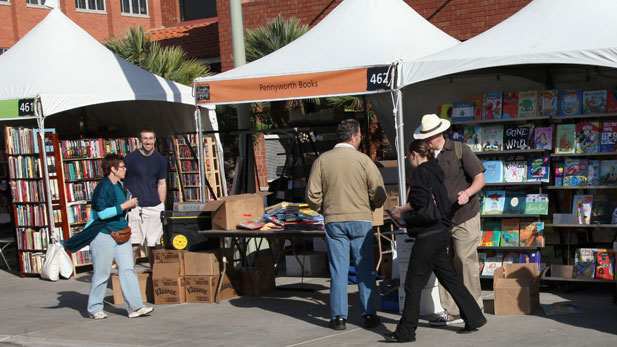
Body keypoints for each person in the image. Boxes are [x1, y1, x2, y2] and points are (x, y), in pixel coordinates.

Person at [384, 140, 486, 343]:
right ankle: (474, 317)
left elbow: (420, 201)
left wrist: (402, 212)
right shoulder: (435, 168)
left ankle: (406, 331)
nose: (408, 159)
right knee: (450, 278)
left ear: (414, 154)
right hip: (441, 230)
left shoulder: (421, 172)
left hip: (428, 234)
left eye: (408, 156)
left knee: (413, 284)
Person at [306, 119, 386, 331]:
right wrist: (372, 205)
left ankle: (338, 317)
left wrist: (325, 209)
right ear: (354, 136)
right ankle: (368, 314)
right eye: (360, 135)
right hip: (361, 219)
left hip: (334, 219)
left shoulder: (322, 161)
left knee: (338, 270)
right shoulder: (364, 160)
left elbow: (312, 195)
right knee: (364, 269)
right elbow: (379, 192)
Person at [413, 114, 486, 326]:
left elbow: (480, 178)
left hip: (465, 215)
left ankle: (474, 307)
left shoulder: (460, 150)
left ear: (440, 133)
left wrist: (468, 192)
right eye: (425, 136)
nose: (428, 139)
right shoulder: (424, 155)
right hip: (440, 220)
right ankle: (452, 310)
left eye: (431, 135)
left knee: (464, 260)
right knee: (445, 264)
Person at [65, 154, 154, 319]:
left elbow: (118, 210)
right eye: (122, 167)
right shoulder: (103, 187)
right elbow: (101, 213)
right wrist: (124, 206)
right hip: (103, 234)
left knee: (128, 270)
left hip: (121, 233)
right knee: (102, 272)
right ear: (112, 169)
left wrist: (127, 207)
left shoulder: (120, 186)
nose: (125, 169)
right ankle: (94, 308)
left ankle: (135, 307)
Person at [124, 129, 167, 266]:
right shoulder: (130, 159)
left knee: (154, 245)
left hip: (155, 206)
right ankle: (128, 276)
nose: (148, 141)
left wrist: (161, 205)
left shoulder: (160, 160)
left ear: (154, 140)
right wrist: (127, 202)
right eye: (145, 138)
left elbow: (162, 183)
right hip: (135, 207)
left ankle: (155, 277)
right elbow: (122, 181)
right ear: (140, 140)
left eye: (150, 138)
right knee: (133, 245)